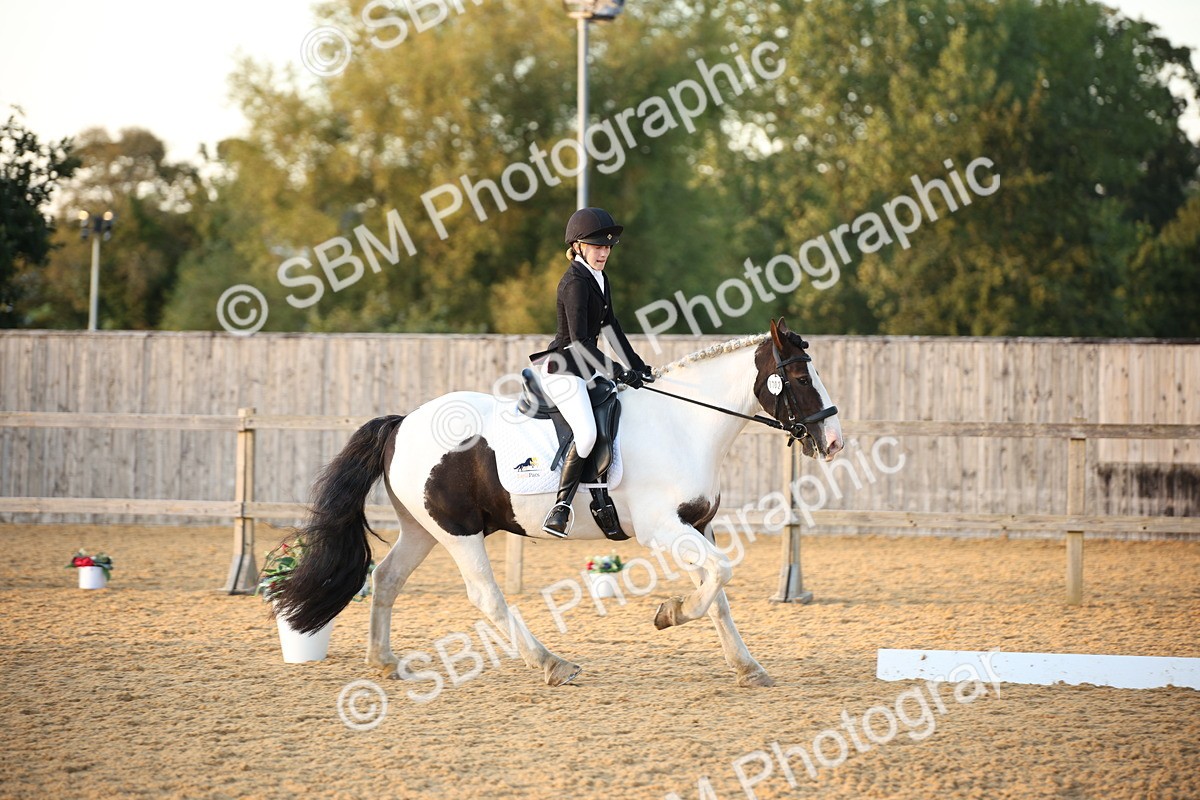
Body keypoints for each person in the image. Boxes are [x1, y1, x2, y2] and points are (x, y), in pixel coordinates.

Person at [530, 207, 654, 537]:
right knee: (586, 433)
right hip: (564, 370)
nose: (604, 253)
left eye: (608, 247)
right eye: (597, 246)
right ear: (579, 247)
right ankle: (561, 507)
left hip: (586, 368)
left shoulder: (599, 278)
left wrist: (636, 366)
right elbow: (578, 343)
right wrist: (615, 371)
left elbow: (610, 327)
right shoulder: (574, 282)